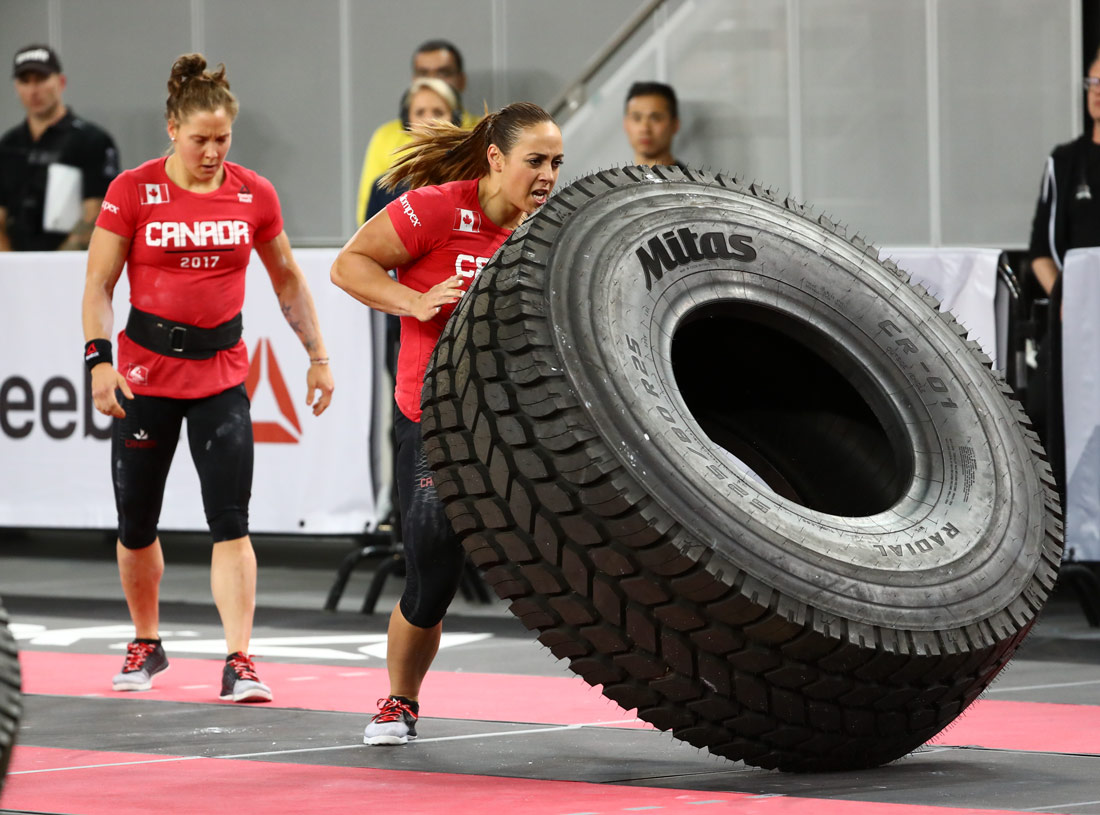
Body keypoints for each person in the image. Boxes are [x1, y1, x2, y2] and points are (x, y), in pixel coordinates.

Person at [81, 53, 335, 703]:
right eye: (200, 139)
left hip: (221, 375)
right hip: (143, 375)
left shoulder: (255, 193)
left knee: (231, 520)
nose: (212, 151)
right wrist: (98, 360)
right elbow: (98, 283)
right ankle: (146, 639)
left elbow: (287, 282)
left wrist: (318, 354)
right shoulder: (132, 191)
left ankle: (239, 658)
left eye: (223, 139)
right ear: (172, 128)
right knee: (136, 519)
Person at [331, 101, 563, 745]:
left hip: (516, 415)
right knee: (432, 570)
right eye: (534, 161)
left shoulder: (552, 229)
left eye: (556, 163)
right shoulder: (435, 208)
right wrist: (413, 300)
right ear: (496, 158)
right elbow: (348, 264)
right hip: (435, 414)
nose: (548, 175)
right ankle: (398, 702)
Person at [1025, 48, 1100, 488]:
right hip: (1074, 320)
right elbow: (1040, 251)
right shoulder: (1066, 163)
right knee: (1056, 415)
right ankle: (1067, 531)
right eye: (1092, 84)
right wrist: (1065, 298)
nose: (1097, 94)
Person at [0, 43, 119, 251]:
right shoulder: (8, 145)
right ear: (16, 87)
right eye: (25, 81)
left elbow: (98, 213)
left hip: (69, 265)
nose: (33, 90)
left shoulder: (91, 140)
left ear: (61, 82)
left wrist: (54, 264)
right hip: (13, 267)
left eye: (41, 79)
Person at [355, 39, 478, 226]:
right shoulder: (384, 138)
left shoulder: (483, 132)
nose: (429, 120)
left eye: (443, 72)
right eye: (423, 73)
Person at [623, 80, 686, 170]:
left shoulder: (691, 184)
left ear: (675, 125)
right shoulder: (616, 183)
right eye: (637, 118)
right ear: (625, 124)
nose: (644, 128)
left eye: (655, 118)